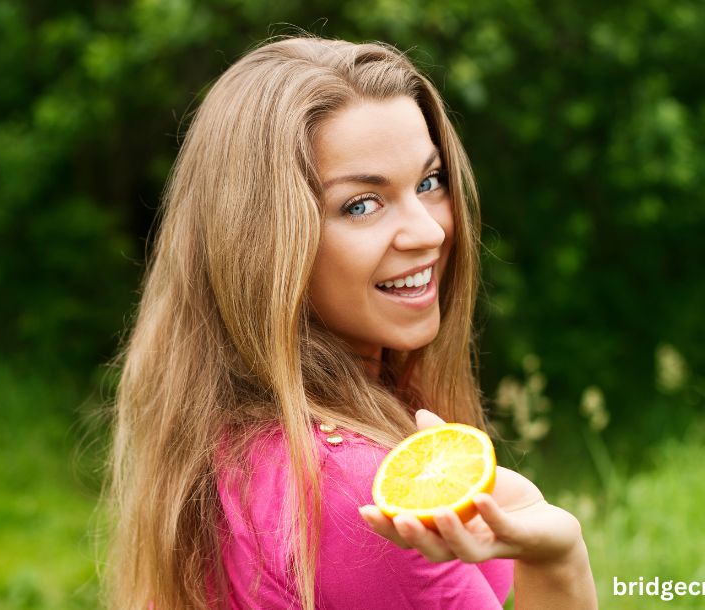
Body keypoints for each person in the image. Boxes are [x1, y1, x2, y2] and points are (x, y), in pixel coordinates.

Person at [103, 35, 597, 610]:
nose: (430, 232)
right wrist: (559, 559)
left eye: (429, 182)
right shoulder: (365, 498)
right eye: (362, 204)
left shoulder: (240, 436)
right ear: (265, 246)